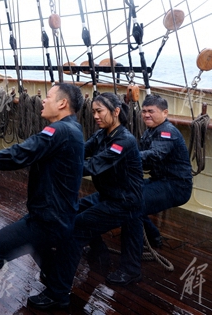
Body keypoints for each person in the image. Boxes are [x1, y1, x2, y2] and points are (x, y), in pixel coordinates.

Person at [0, 83, 85, 314]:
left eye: (49, 97)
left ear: (63, 103)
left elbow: (21, 153)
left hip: (47, 220)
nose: (43, 100)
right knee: (39, 246)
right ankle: (58, 294)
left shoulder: (58, 131)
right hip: (58, 216)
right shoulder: (74, 129)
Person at [72, 92, 144, 286]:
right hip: (108, 194)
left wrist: (63, 169)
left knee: (80, 224)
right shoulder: (101, 134)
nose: (96, 116)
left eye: (100, 111)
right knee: (74, 209)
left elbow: (94, 165)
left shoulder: (123, 141)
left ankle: (130, 272)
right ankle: (99, 252)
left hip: (125, 200)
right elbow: (81, 152)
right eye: (93, 112)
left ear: (116, 111)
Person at [139, 95, 193, 248]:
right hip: (159, 180)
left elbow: (155, 154)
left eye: (151, 111)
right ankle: (149, 236)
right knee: (125, 195)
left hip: (176, 186)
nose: (146, 115)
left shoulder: (167, 132)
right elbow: (144, 159)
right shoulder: (150, 131)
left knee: (133, 203)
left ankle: (150, 238)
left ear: (165, 113)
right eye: (144, 111)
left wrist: (127, 156)